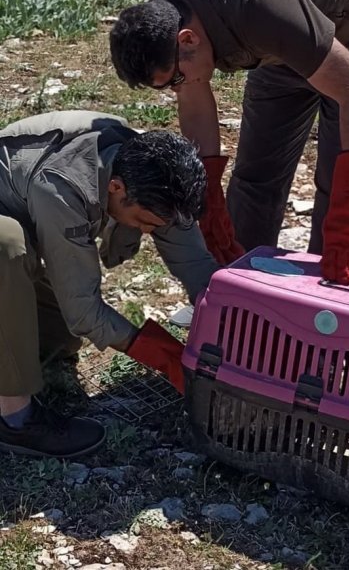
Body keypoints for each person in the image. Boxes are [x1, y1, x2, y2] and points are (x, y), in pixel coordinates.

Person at [109, 0, 349, 285]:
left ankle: (331, 295)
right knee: (256, 173)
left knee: (340, 180)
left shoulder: (262, 3)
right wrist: (209, 200)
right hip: (284, 42)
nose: (178, 89)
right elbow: (193, 99)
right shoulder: (170, 14)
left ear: (188, 40)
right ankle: (242, 284)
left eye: (174, 79)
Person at [0, 110, 220, 459]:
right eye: (144, 223)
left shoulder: (154, 172)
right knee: (5, 244)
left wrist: (230, 331)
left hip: (28, 215)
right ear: (116, 188)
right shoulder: (62, 187)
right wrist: (166, 358)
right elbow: (84, 312)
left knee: (59, 339)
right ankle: (15, 420)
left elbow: (196, 266)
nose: (149, 232)